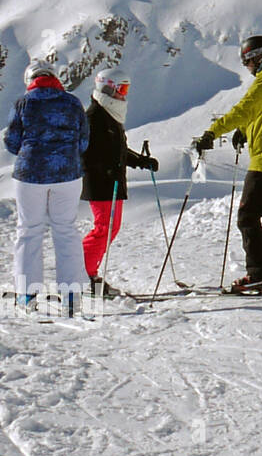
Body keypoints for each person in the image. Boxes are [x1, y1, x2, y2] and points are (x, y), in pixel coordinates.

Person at [195, 36, 262, 295]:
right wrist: (244, 130)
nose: (247, 67)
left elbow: (246, 107)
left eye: (247, 61)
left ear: (258, 57)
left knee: (247, 216)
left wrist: (213, 132)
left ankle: (260, 274)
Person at [4, 59, 90, 316]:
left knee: (29, 230)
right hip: (68, 174)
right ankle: (71, 296)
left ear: (30, 80)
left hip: (30, 174)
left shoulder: (23, 103)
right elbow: (83, 140)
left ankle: (26, 295)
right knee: (66, 230)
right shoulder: (73, 103)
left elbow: (11, 140)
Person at [81, 68, 158, 298]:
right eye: (121, 89)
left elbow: (119, 150)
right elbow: (85, 153)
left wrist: (141, 161)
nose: (125, 94)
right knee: (104, 228)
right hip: (101, 182)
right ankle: (81, 274)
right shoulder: (94, 116)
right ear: (107, 88)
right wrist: (105, 168)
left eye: (126, 89)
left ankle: (86, 273)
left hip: (112, 181)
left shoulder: (109, 115)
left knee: (109, 228)